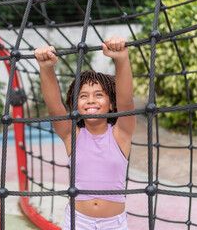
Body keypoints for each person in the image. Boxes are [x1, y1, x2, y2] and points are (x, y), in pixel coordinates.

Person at [34, 36, 135, 229]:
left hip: (113, 224)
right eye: (83, 96)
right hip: (78, 222)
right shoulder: (73, 136)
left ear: (111, 104)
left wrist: (121, 59)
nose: (90, 100)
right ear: (75, 104)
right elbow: (55, 108)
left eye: (99, 95)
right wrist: (46, 68)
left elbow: (127, 102)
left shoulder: (121, 134)